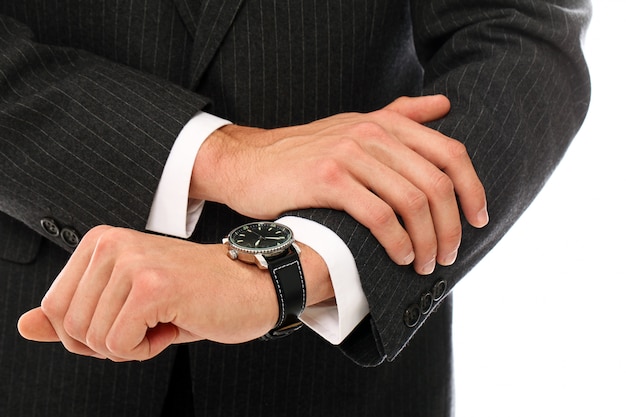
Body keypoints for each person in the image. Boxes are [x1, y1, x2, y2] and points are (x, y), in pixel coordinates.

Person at [0, 1, 590, 416]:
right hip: (39, 345)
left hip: (338, 373)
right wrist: (227, 157)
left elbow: (518, 35)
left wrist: (290, 271)